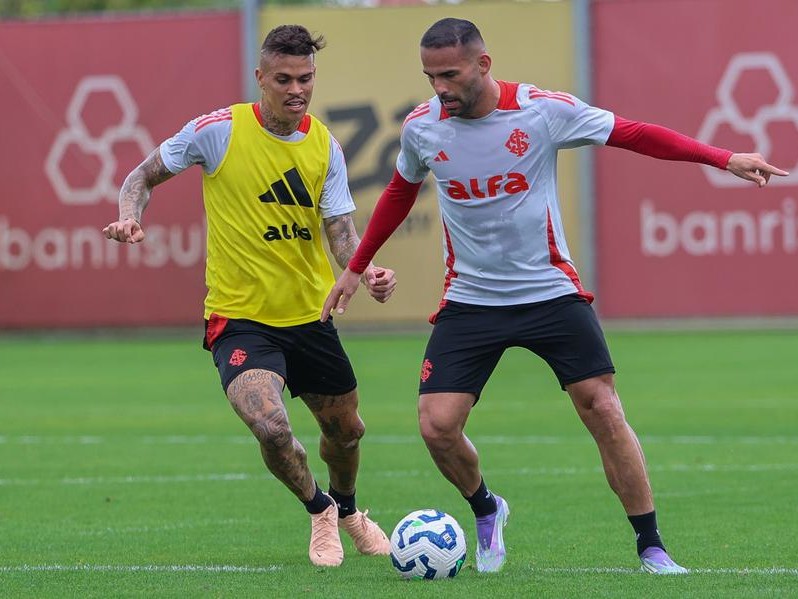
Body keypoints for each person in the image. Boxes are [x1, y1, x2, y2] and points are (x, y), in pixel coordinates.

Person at [322, 18, 788, 575]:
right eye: (430, 76)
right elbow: (400, 190)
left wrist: (722, 157)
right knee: (436, 426)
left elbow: (634, 133)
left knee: (603, 407)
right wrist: (356, 266)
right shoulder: (423, 127)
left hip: (550, 293)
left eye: (450, 74)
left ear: (483, 65)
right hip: (471, 299)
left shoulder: (542, 111)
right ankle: (487, 508)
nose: (439, 87)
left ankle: (652, 547)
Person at [103, 24, 397, 568]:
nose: (296, 89)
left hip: (310, 317)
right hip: (239, 319)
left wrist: (368, 270)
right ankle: (320, 510)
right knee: (269, 423)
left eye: (305, 78)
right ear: (260, 77)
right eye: (283, 79)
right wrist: (129, 217)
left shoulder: (324, 144)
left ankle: (350, 509)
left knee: (348, 432)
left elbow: (340, 233)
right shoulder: (218, 131)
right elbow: (140, 177)